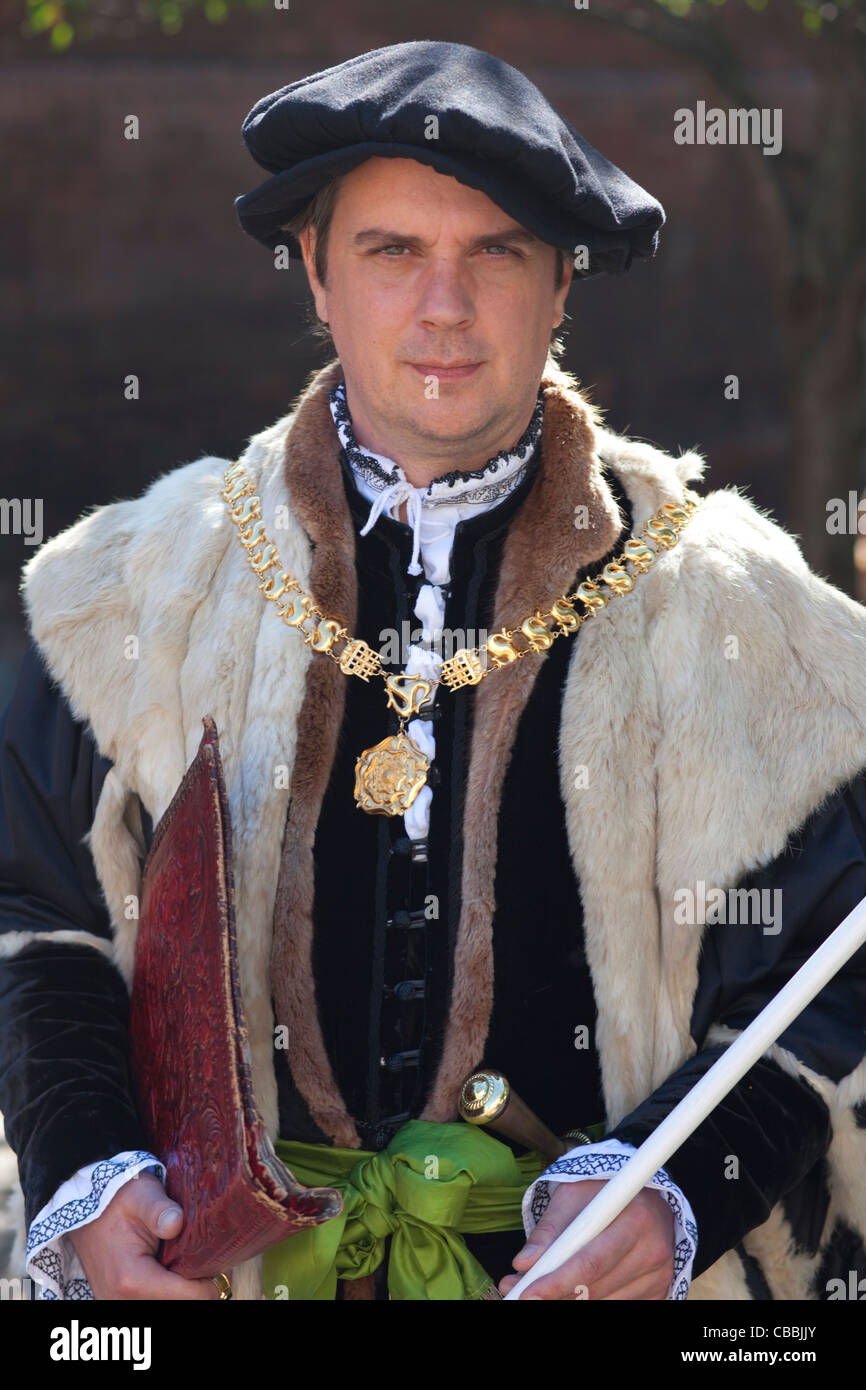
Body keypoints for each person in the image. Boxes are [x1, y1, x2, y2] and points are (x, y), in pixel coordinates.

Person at [2, 39, 866, 1303]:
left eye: (495, 253)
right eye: (391, 251)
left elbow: (820, 979)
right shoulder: (133, 588)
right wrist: (89, 1171)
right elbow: (42, 914)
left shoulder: (743, 615)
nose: (442, 308)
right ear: (315, 271)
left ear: (562, 279)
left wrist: (677, 1188)